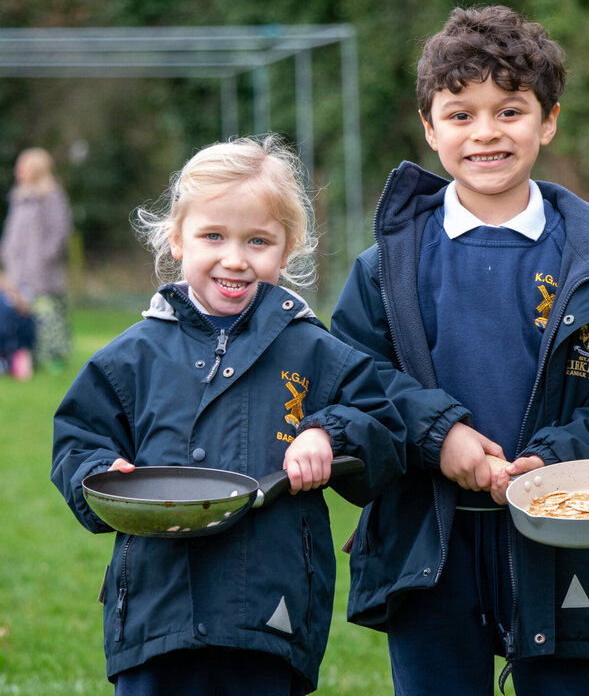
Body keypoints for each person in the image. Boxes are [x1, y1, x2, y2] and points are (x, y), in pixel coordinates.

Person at [331, 5, 589, 696]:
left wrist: (554, 462)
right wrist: (439, 435)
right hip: (429, 541)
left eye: (509, 110)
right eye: (460, 114)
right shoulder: (385, 268)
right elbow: (352, 378)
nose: (485, 132)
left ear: (548, 121)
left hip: (563, 541)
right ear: (429, 127)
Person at [51, 136, 406, 695]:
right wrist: (101, 476)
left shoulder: (316, 351)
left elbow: (383, 429)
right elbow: (78, 439)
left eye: (257, 240)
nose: (235, 258)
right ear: (176, 238)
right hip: (154, 610)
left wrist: (327, 434)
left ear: (288, 250)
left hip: (270, 612)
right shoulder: (130, 355)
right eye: (213, 235)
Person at [0, 147, 72, 371]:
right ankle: (27, 356)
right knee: (20, 313)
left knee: (48, 315)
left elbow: (60, 231)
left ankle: (54, 358)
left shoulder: (51, 195)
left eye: (23, 166)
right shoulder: (19, 197)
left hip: (43, 271)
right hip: (17, 269)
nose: (18, 170)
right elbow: (12, 232)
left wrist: (45, 257)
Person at [0, 273, 34, 379]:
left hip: (17, 348)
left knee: (23, 371)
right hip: (6, 346)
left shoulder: (20, 310)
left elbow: (28, 333)